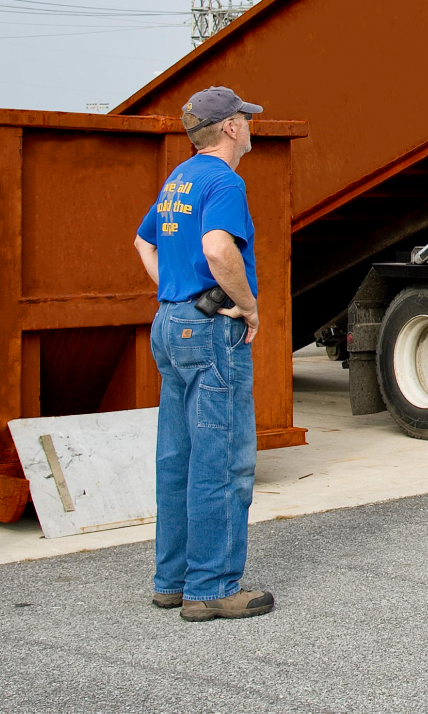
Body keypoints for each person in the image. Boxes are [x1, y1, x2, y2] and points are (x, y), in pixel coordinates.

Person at [132, 86, 274, 621]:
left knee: (178, 457)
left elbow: (143, 241)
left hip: (171, 324)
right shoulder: (224, 181)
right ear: (232, 127)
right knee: (223, 458)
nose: (251, 124)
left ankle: (172, 580)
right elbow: (218, 248)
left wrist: (175, 292)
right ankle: (212, 587)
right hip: (211, 331)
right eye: (247, 116)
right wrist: (248, 306)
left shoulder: (179, 179)